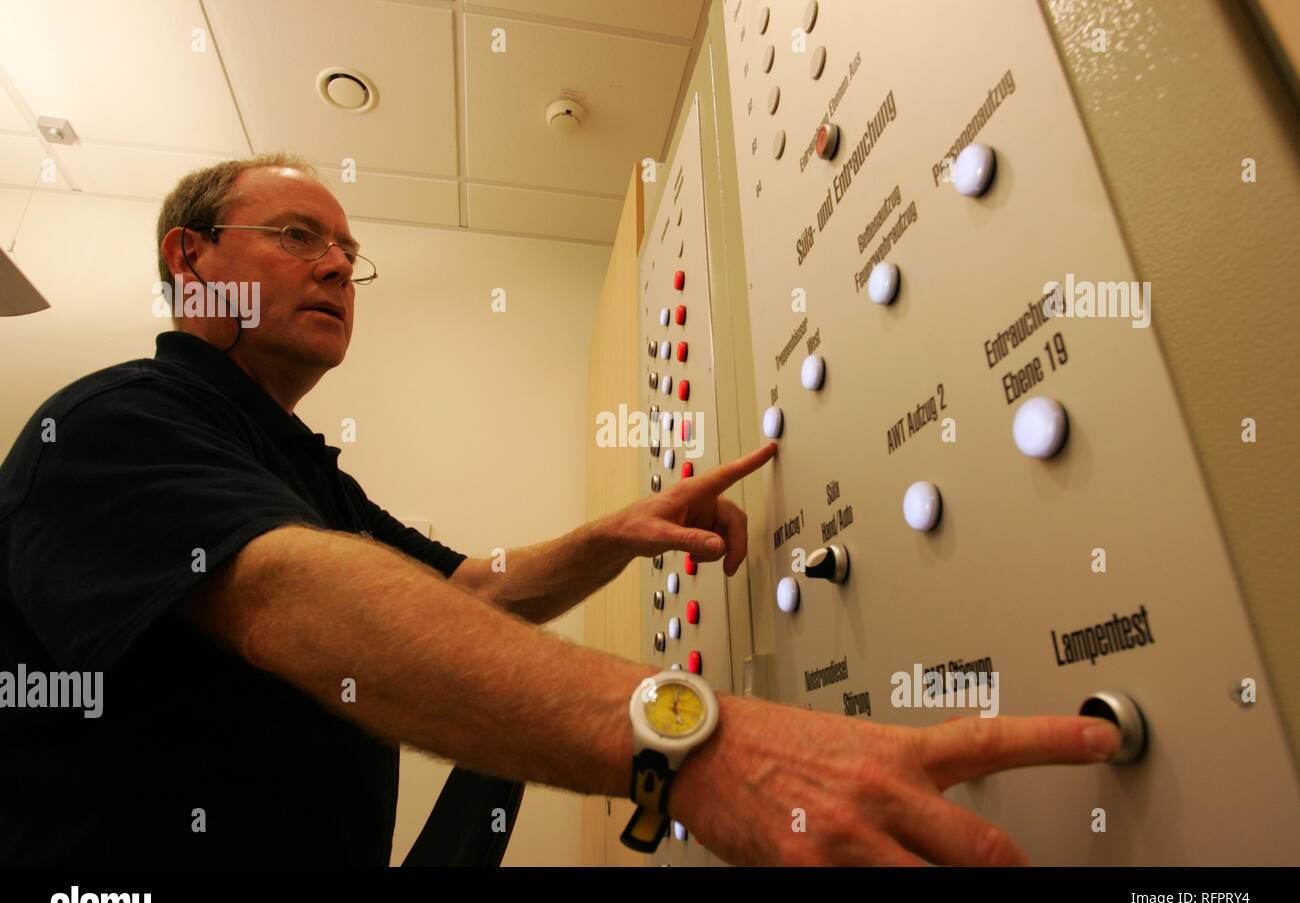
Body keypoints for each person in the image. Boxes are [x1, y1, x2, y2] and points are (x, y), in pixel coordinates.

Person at [0, 154, 1121, 866]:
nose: (338, 267)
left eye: (349, 250)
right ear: (189, 261)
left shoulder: (296, 466)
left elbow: (465, 591)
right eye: (298, 236)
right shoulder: (108, 423)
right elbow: (294, 592)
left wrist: (616, 533)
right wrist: (698, 744)